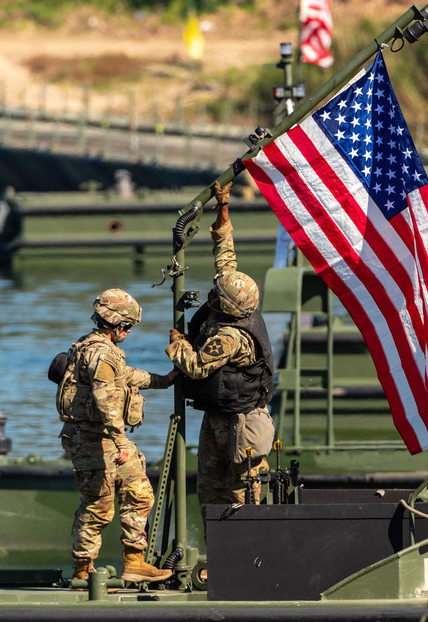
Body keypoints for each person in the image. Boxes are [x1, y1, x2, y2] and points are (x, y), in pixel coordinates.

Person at [167, 180, 275, 526]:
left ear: (228, 306)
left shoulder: (230, 336)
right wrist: (223, 207)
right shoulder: (235, 299)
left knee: (243, 493)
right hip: (218, 414)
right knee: (211, 490)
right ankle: (217, 554)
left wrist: (177, 344)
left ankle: (249, 556)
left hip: (240, 424)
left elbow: (196, 367)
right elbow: (225, 256)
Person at [56, 288, 178, 585]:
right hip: (94, 439)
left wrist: (164, 380)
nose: (128, 332)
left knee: (140, 493)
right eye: (128, 327)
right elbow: (106, 398)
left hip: (103, 439)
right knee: (98, 507)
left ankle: (135, 562)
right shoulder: (101, 353)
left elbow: (124, 376)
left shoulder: (97, 348)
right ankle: (83, 570)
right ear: (118, 325)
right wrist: (122, 441)